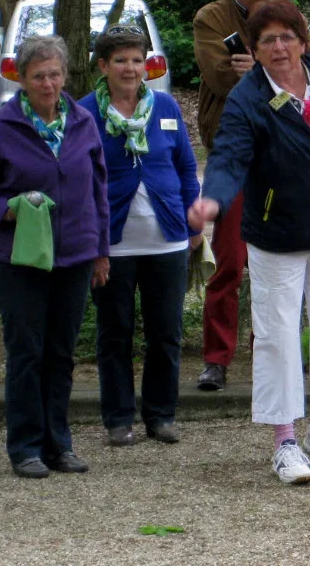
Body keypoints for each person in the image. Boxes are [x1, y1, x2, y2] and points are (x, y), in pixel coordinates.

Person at [188, 0, 310, 485]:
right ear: (254, 51)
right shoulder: (247, 97)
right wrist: (212, 200)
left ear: (303, 41)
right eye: (267, 40)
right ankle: (284, 440)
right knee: (276, 336)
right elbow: (230, 155)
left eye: (287, 37)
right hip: (275, 236)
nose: (279, 47)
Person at [0, 35, 110, 478]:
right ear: (21, 79)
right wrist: (5, 211)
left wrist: (101, 251)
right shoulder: (1, 126)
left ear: (66, 76)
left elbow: (98, 190)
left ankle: (58, 444)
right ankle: (24, 447)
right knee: (26, 351)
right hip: (18, 259)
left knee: (61, 354)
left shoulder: (83, 121)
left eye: (55, 74)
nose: (48, 83)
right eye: (39, 76)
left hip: (76, 256)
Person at [78, 26, 202, 447]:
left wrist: (195, 222)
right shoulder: (84, 115)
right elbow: (77, 181)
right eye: (120, 60)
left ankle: (161, 415)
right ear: (103, 66)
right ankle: (117, 418)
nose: (130, 68)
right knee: (115, 333)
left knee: (165, 333)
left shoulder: (165, 107)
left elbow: (186, 167)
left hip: (167, 239)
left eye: (137, 60)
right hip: (111, 243)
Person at [193, 0, 274, 391]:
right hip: (234, 154)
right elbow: (220, 76)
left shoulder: (283, 13)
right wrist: (268, 67)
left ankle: (270, 349)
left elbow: (306, 67)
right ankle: (216, 359)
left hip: (280, 154)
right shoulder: (212, 18)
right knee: (229, 262)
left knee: (276, 262)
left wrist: (257, 63)